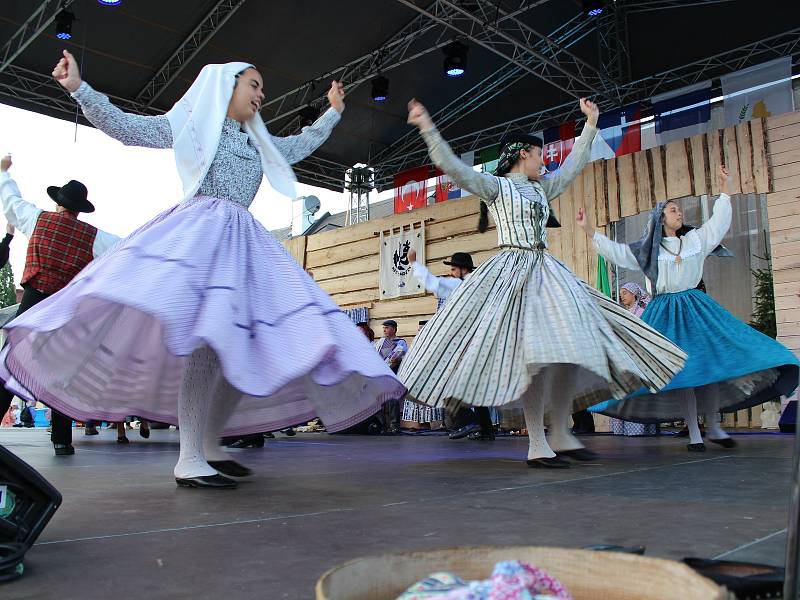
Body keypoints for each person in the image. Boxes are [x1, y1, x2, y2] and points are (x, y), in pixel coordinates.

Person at [0, 50, 404, 488]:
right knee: (210, 343)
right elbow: (129, 128)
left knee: (242, 344)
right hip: (204, 235)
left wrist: (333, 113)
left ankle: (209, 444)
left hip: (243, 244)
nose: (262, 95)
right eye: (254, 84)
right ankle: (190, 456)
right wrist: (80, 89)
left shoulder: (256, 139)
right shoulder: (192, 125)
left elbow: (297, 146)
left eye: (263, 89)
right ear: (226, 86)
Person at [399, 97, 686, 468]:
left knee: (571, 348)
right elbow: (453, 168)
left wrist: (591, 126)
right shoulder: (496, 187)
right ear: (521, 154)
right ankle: (537, 441)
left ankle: (562, 433)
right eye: (539, 155)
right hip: (511, 271)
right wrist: (427, 127)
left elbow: (571, 169)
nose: (544, 160)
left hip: (545, 269)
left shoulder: (541, 188)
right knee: (533, 358)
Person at [581, 166, 799, 450]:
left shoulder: (694, 240)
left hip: (696, 307)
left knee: (707, 366)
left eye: (679, 210)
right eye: (672, 210)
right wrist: (589, 231)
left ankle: (715, 427)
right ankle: (695, 432)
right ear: (660, 218)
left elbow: (718, 224)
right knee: (683, 374)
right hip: (666, 311)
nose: (679, 213)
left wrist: (725, 189)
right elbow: (619, 254)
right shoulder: (651, 250)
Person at [0, 156, 121, 455]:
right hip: (64, 311)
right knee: (62, 374)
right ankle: (62, 440)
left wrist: (3, 172)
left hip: (31, 305)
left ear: (58, 204)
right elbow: (129, 248)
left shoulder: (37, 218)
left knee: (9, 365)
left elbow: (10, 200)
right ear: (80, 211)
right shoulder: (95, 237)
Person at [374, 319, 408, 433]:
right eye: (383, 327)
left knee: (393, 400)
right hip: (381, 374)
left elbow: (403, 356)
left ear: (394, 329)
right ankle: (382, 426)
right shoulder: (380, 342)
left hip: (394, 373)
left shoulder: (400, 342)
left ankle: (394, 426)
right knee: (379, 400)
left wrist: (396, 360)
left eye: (387, 327)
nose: (384, 330)